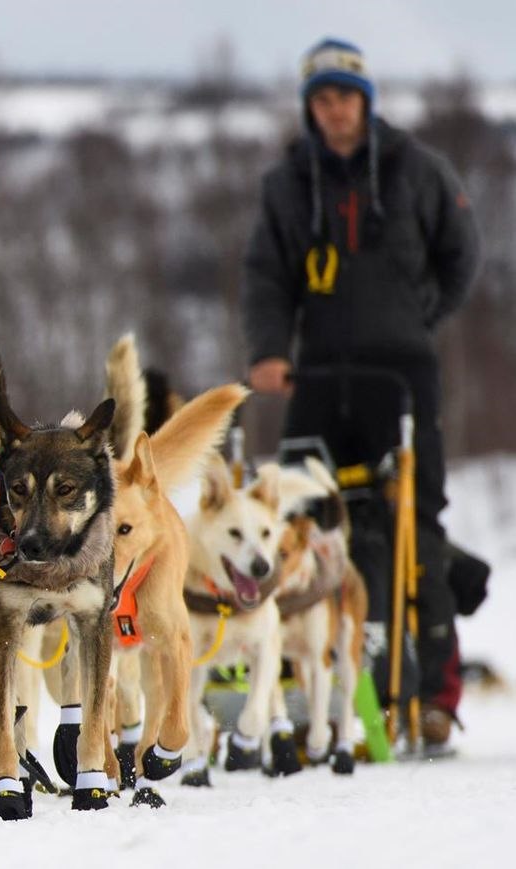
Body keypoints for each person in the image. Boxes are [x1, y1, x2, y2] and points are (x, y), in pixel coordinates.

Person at [242, 37, 480, 752]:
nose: (334, 110)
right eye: (321, 99)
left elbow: (461, 254)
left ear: (365, 102)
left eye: (345, 96)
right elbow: (265, 274)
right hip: (316, 372)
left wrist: (421, 322)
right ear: (309, 108)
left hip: (402, 371)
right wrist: (268, 353)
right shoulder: (287, 182)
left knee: (419, 519)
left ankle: (434, 694)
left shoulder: (416, 169)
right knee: (293, 515)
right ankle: (285, 684)